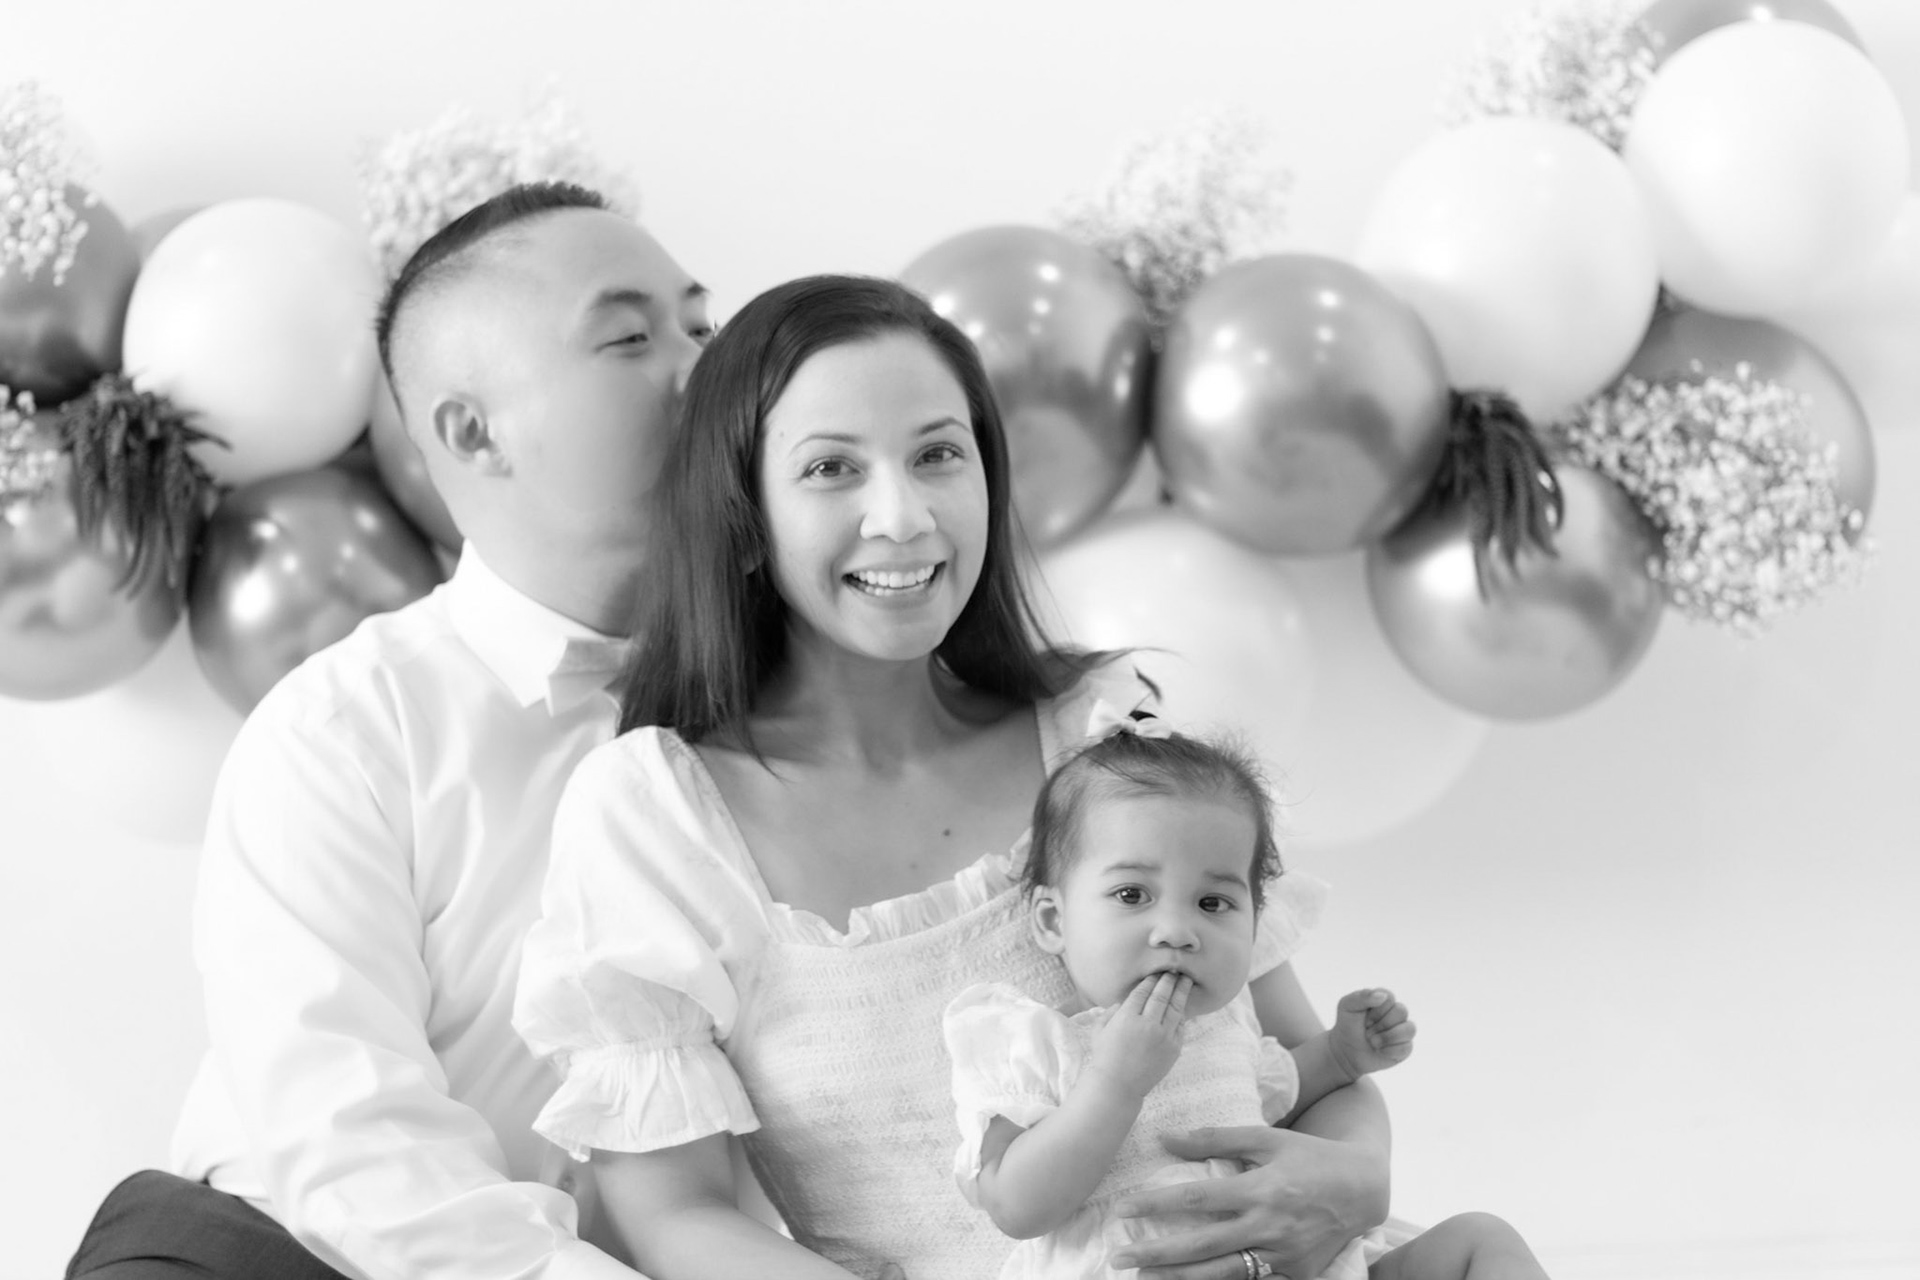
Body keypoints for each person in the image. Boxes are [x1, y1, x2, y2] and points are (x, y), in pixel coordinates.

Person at [512, 273, 1400, 1280]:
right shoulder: (655, 812)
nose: (902, 517)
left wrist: (1357, 1177)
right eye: (831, 468)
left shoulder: (1103, 729)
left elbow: (1303, 1067)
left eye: (938, 453)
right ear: (744, 515)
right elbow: (679, 1220)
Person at [65, 182, 715, 1280]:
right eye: (630, 338)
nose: (704, 367)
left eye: (703, 325)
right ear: (473, 431)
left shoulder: (803, 698)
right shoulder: (343, 732)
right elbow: (357, 1151)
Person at [946, 716, 1550, 1280]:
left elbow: (1283, 1090)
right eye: (1132, 895)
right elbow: (1016, 1208)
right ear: (1052, 920)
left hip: (1283, 1262)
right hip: (1139, 1266)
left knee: (1481, 1239)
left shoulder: (1227, 1029)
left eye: (1213, 903)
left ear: (1256, 924)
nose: (1177, 931)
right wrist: (1114, 1083)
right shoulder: (1029, 1041)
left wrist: (1342, 1055)